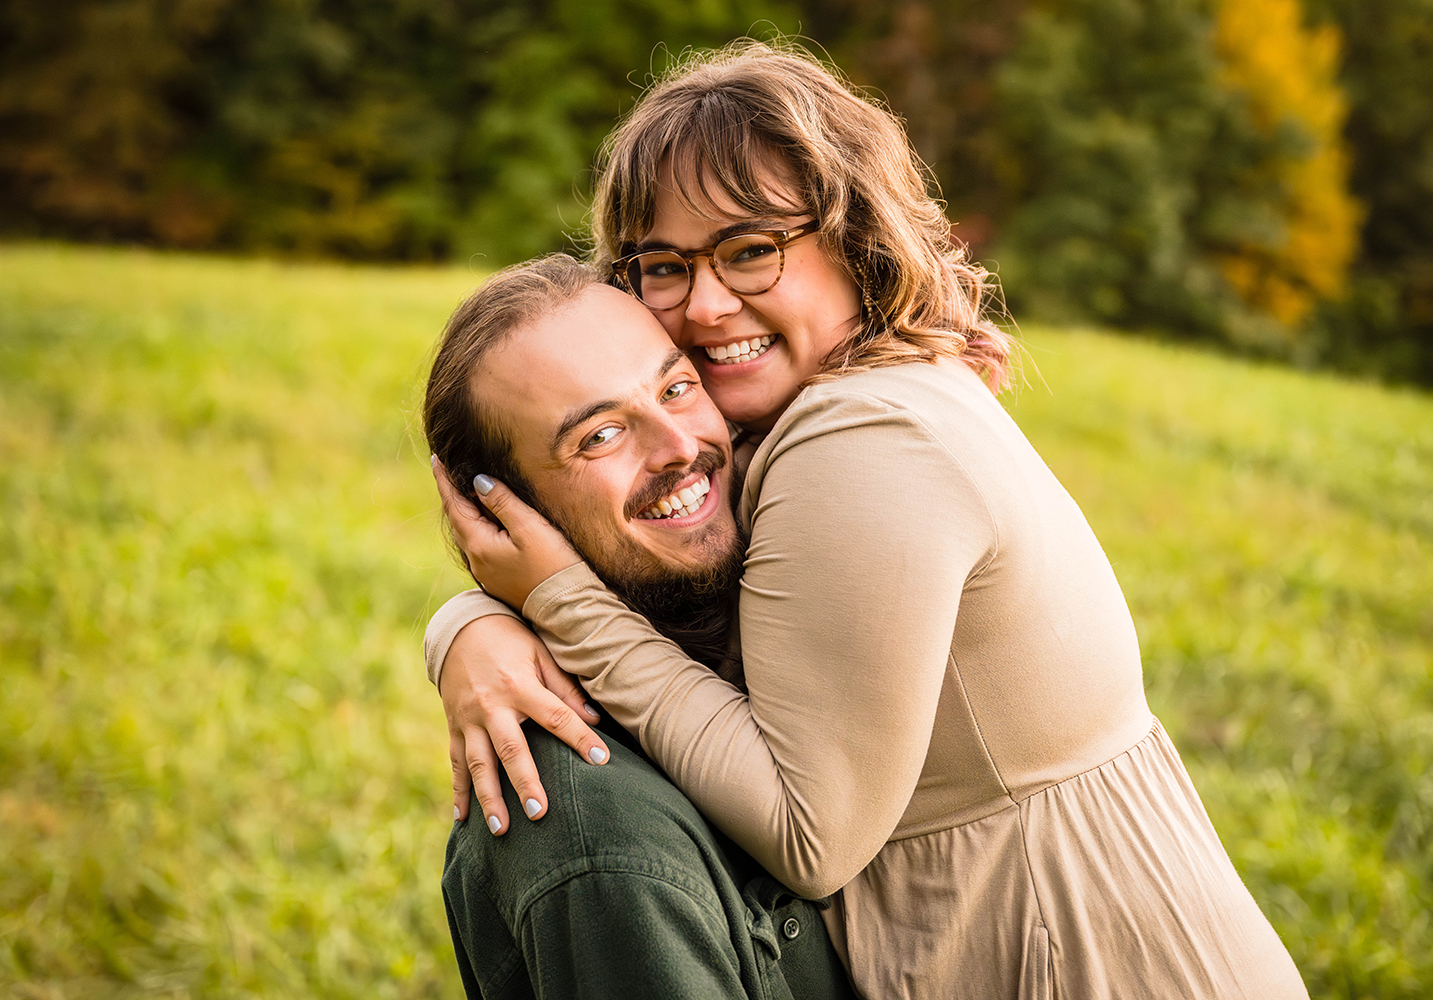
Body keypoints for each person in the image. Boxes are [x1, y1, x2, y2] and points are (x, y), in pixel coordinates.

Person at [429, 41, 1310, 999]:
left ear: (853, 240)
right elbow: (665, 581)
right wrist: (471, 625)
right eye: (666, 265)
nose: (709, 303)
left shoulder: (862, 435)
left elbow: (810, 836)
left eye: (751, 249)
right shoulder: (821, 413)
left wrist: (557, 605)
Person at [426, 257, 857, 999]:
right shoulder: (600, 833)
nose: (681, 446)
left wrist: (460, 623)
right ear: (497, 516)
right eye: (598, 436)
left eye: (677, 387)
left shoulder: (798, 590)